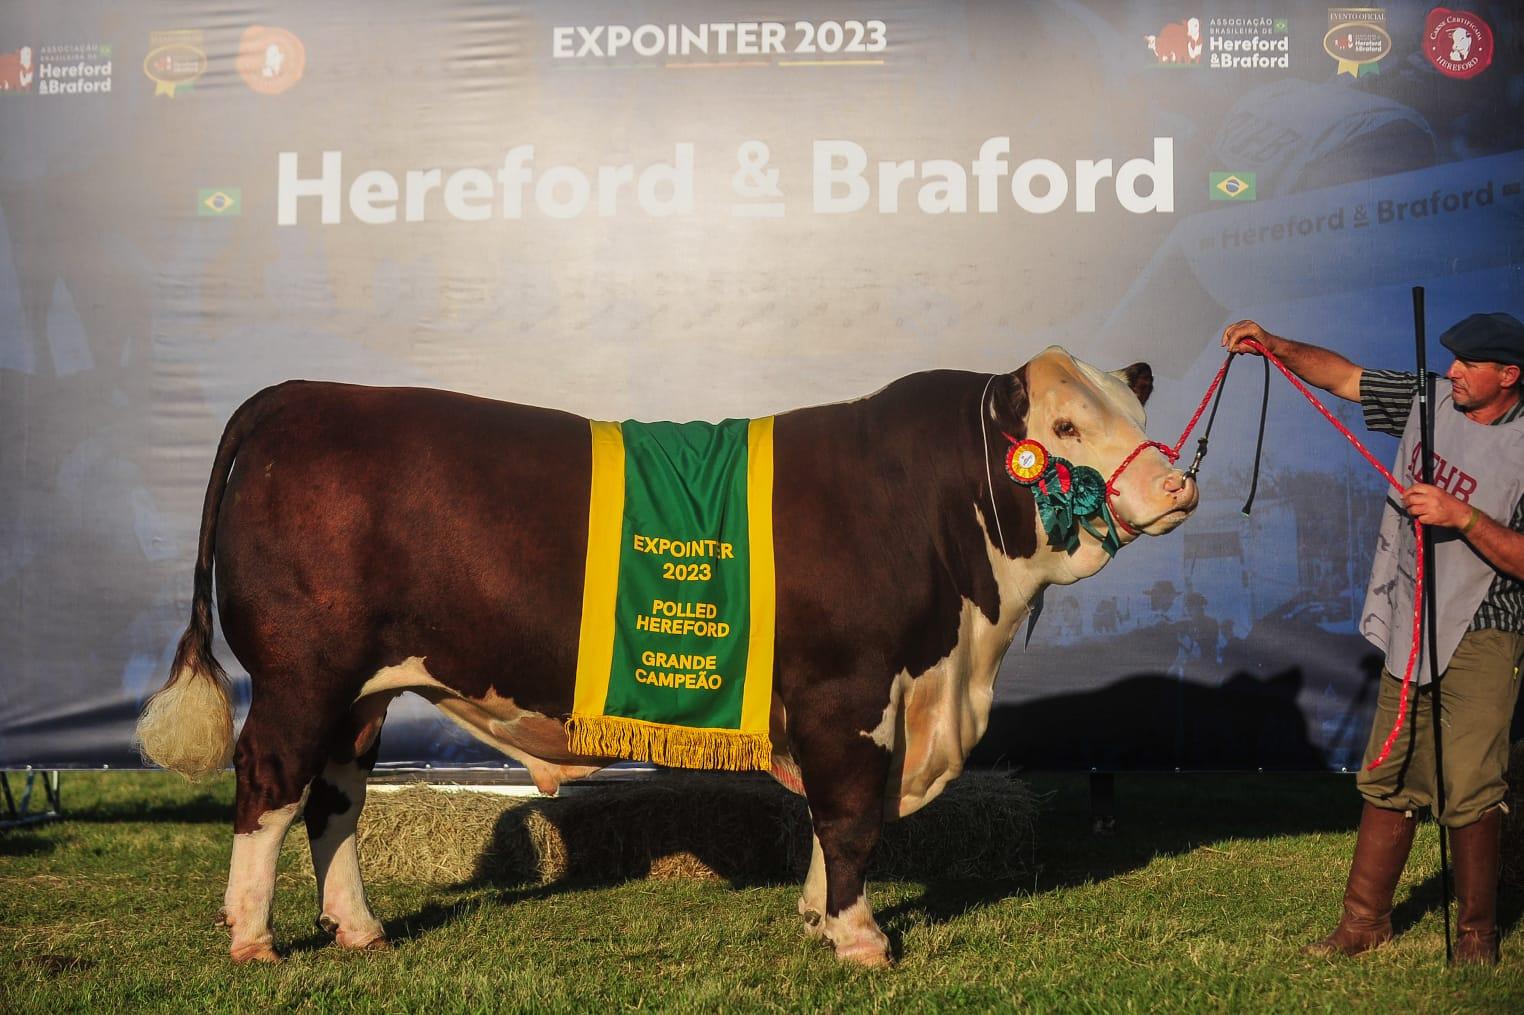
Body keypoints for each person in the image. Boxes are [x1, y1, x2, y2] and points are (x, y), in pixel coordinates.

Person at [1222, 313, 1524, 966]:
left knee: (1471, 781)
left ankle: (1476, 936)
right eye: (1453, 360)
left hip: (1486, 625)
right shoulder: (1428, 397)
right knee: (1387, 772)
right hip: (1412, 615)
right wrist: (1276, 344)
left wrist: (1462, 515)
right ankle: (1364, 923)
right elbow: (1345, 377)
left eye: (1470, 365)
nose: (1454, 373)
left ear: (1510, 375)